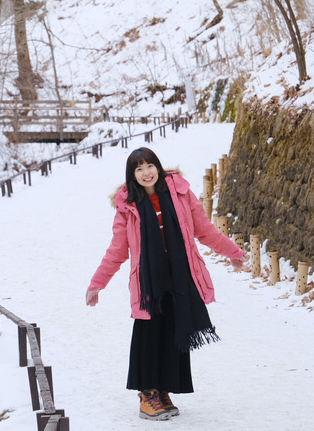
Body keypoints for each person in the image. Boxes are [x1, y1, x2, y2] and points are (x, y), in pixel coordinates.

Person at [85, 147, 245, 421]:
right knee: (148, 333)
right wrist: (97, 283)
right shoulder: (128, 207)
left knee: (176, 329)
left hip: (181, 276)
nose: (146, 172)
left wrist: (233, 252)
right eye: (138, 169)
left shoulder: (180, 193)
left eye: (149, 166)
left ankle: (164, 389)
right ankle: (148, 394)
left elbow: (205, 230)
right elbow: (117, 250)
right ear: (132, 175)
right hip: (149, 280)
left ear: (158, 167)